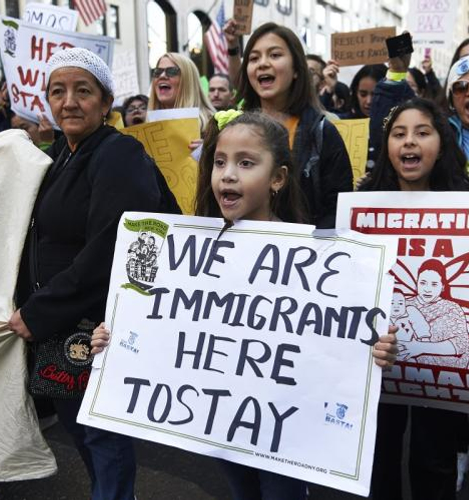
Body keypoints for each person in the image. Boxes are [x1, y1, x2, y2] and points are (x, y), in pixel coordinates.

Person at [91, 110, 398, 500]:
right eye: (219, 162)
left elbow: (338, 338)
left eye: (246, 163)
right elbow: (160, 327)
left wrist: (376, 351)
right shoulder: (188, 255)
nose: (228, 174)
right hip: (221, 423)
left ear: (278, 179)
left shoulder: (315, 260)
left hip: (285, 429)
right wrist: (113, 340)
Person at [7, 47, 180, 500]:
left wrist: (38, 309)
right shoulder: (59, 155)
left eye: (82, 91)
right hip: (60, 323)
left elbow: (110, 247)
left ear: (106, 103)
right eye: (58, 91)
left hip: (97, 321)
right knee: (79, 429)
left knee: (103, 436)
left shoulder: (119, 154)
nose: (69, 102)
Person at [361, 97, 469, 500]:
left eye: (422, 133)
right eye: (399, 134)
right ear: (386, 146)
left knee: (433, 461)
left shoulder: (465, 202)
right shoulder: (359, 207)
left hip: (440, 382)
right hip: (378, 366)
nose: (410, 142)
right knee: (379, 459)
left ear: (441, 143)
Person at [225, 22, 353, 228]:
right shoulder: (231, 129)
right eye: (254, 58)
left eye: (274, 55)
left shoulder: (321, 132)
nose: (262, 64)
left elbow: (337, 208)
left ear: (296, 70)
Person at [148, 52, 215, 135]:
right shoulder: (146, 125)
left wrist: (206, 146)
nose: (162, 76)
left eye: (172, 71)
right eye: (157, 72)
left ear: (188, 81)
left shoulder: (214, 125)